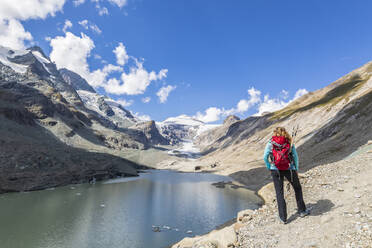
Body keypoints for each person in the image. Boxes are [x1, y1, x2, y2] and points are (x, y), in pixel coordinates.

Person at [263, 127, 310, 224]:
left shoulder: (270, 143)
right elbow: (295, 156)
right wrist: (296, 169)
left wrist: (269, 166)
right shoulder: (289, 142)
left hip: (275, 169)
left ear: (275, 133)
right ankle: (302, 211)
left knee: (279, 193)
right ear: (285, 133)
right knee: (297, 188)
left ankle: (283, 218)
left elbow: (265, 157)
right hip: (289, 169)